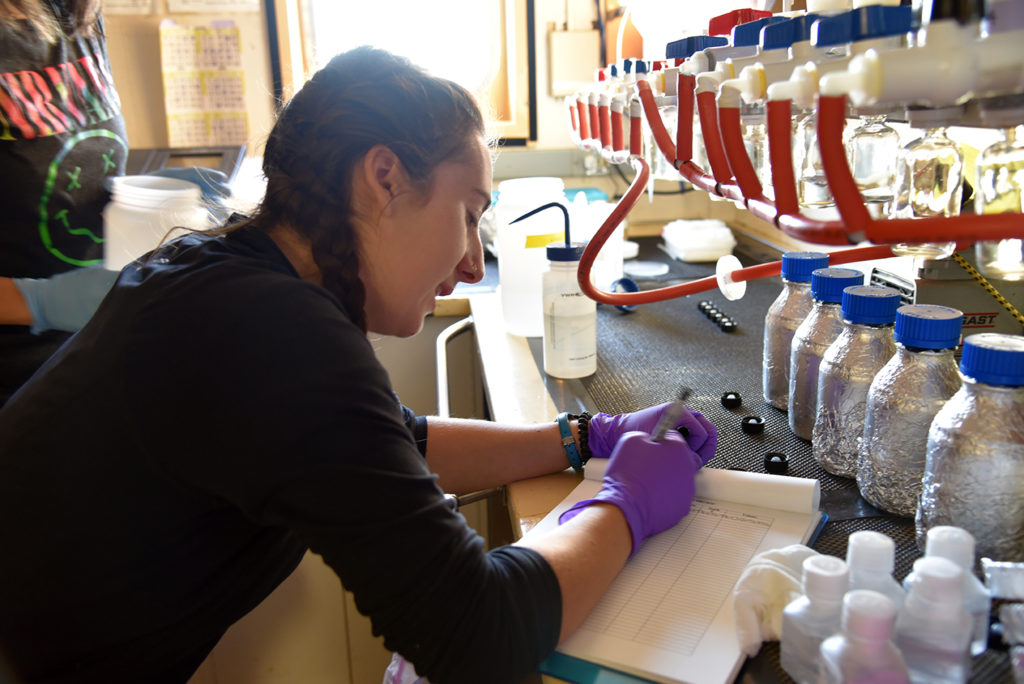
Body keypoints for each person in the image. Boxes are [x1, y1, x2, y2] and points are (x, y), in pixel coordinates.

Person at [0, 47, 718, 684]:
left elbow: (390, 441)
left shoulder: (226, 273)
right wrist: (625, 506)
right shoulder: (272, 330)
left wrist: (581, 437)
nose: (473, 263)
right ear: (384, 177)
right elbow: (479, 636)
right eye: (469, 213)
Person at [0, 0, 128, 407]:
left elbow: (84, 159)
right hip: (15, 381)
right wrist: (39, 303)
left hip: (90, 356)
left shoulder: (76, 15)